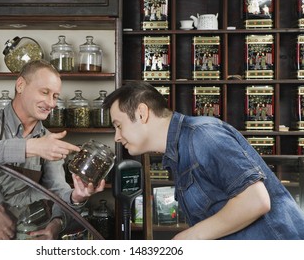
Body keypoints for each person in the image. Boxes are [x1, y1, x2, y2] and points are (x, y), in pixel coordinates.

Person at [102, 80, 304, 240]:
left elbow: (255, 201)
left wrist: (189, 237)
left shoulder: (203, 135)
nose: (117, 137)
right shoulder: (178, 153)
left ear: (142, 113)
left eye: (119, 125)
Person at [0, 60, 105, 240]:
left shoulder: (49, 142)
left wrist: (74, 200)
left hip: (18, 234)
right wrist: (29, 147)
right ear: (20, 85)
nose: (51, 103)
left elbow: (57, 192)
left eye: (55, 96)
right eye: (45, 92)